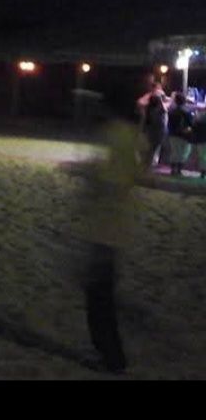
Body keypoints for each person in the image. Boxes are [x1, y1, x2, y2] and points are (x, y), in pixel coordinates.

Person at [80, 112, 140, 374]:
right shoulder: (129, 133)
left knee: (99, 297)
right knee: (100, 294)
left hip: (106, 229)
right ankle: (108, 353)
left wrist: (91, 175)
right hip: (115, 228)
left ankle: (111, 357)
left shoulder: (114, 134)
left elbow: (108, 182)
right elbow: (137, 170)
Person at [164, 93, 194, 176]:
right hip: (183, 134)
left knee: (174, 151)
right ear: (184, 101)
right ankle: (179, 169)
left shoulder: (171, 111)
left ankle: (173, 169)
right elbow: (191, 123)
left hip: (173, 133)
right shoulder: (186, 112)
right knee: (183, 152)